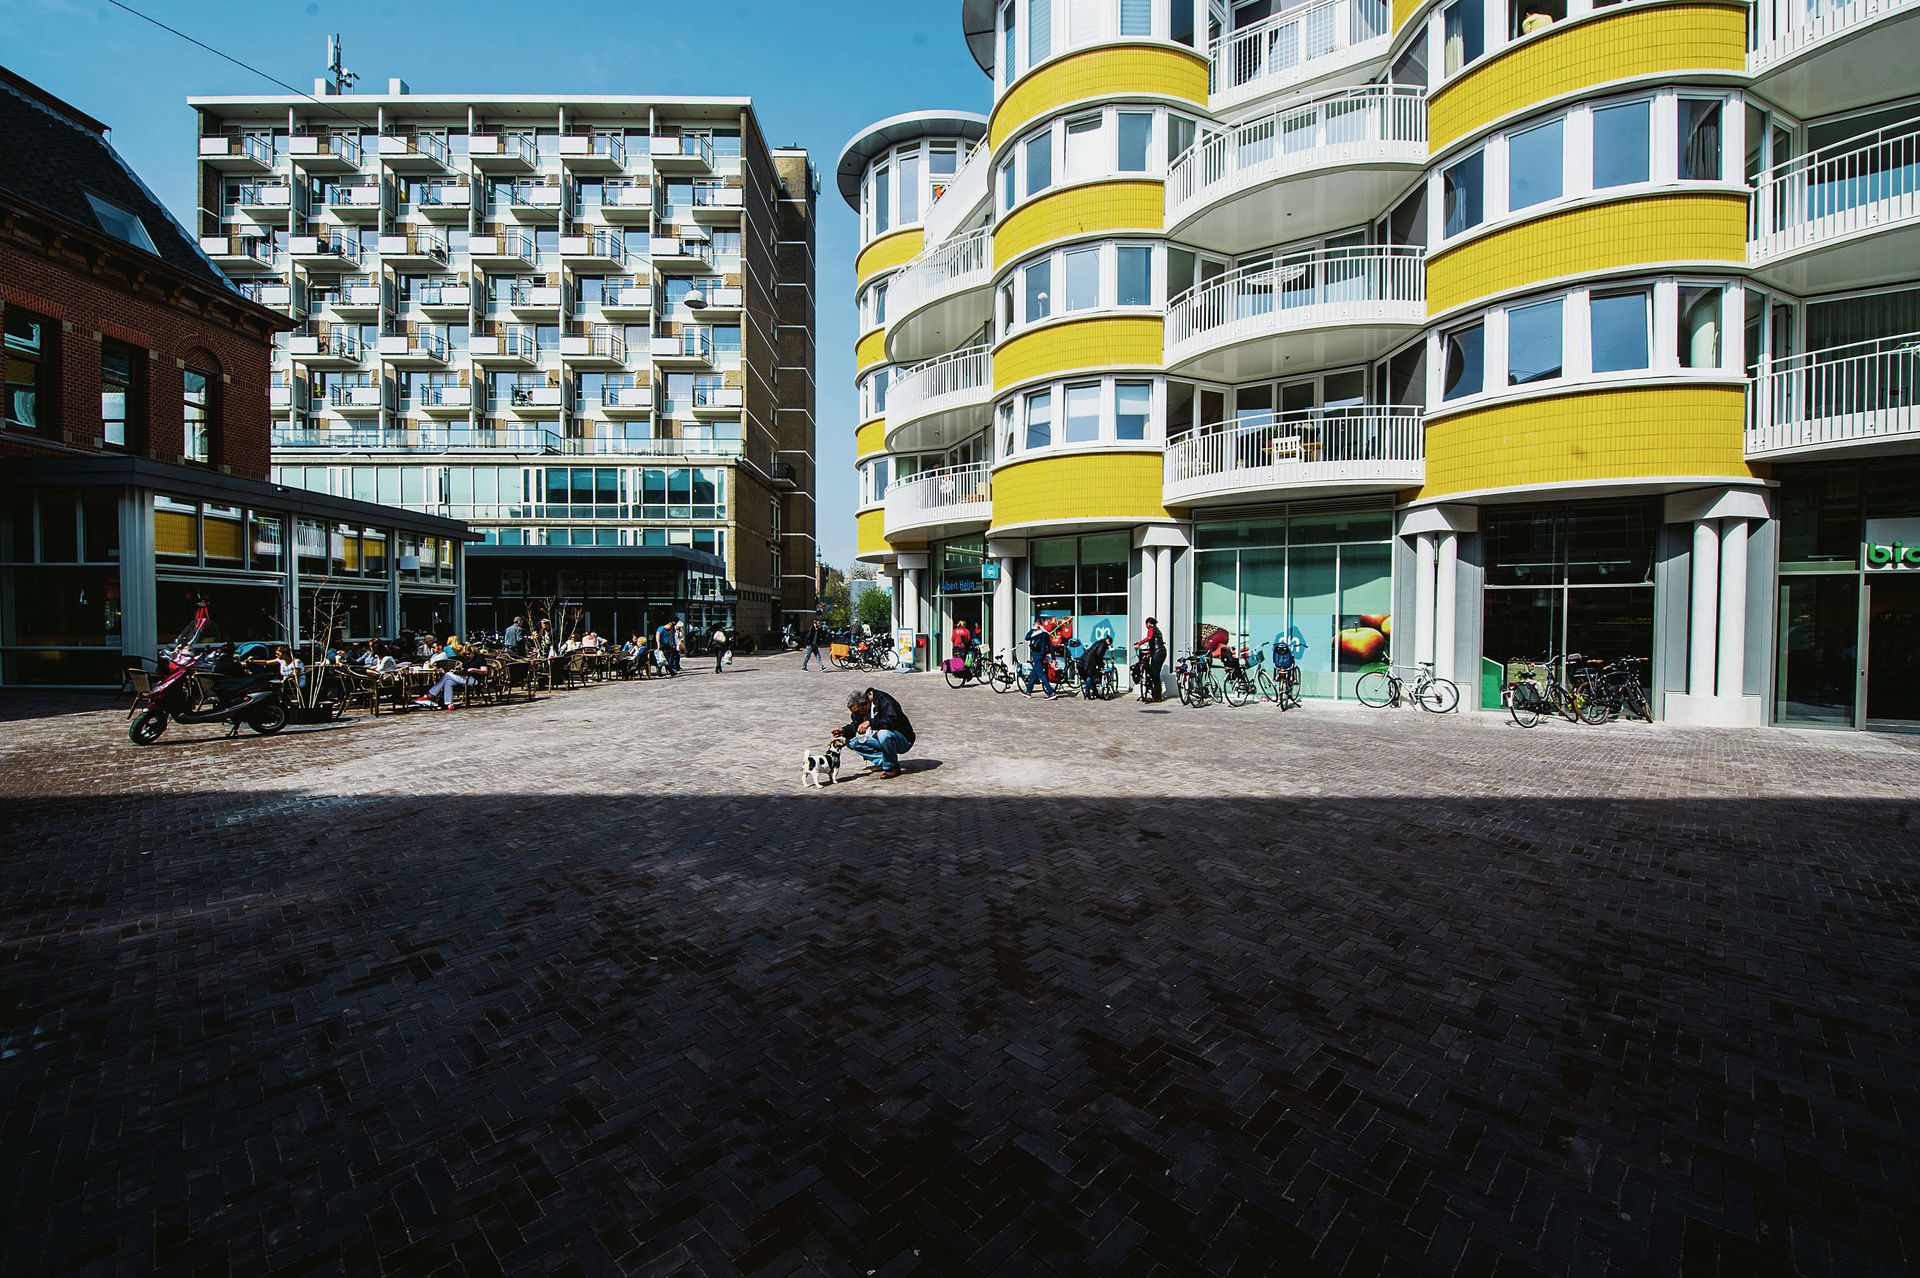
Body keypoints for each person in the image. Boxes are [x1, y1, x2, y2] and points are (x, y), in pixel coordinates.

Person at [836, 686, 915, 778]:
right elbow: (856, 725)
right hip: (878, 738)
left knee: (883, 734)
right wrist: (844, 730)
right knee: (851, 741)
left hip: (902, 739)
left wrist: (870, 723)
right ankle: (884, 761)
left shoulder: (885, 701)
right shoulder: (860, 710)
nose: (856, 715)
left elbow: (892, 721)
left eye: (857, 712)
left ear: (864, 703)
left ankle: (893, 767)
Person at [417, 636, 471, 710]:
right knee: (448, 682)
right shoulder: (462, 651)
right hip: (458, 674)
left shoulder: (446, 649)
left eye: (469, 653)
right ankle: (449, 704)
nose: (467, 654)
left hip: (464, 676)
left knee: (446, 676)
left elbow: (445, 658)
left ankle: (431, 694)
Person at [1022, 617, 1058, 699]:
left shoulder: (1036, 633)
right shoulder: (1045, 633)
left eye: (1034, 624)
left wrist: (1032, 629)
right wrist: (1054, 658)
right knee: (1033, 674)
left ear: (1037, 625)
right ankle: (1028, 691)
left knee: (1041, 674)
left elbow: (1027, 637)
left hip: (1036, 655)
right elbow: (1050, 646)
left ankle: (1051, 692)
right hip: (1042, 655)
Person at [1135, 617, 1167, 702]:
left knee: (1155, 674)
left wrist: (1139, 643)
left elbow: (1149, 637)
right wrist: (1149, 653)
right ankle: (1157, 695)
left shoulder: (1151, 629)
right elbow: (1154, 643)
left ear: (1148, 623)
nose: (1146, 626)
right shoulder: (1157, 629)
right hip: (1162, 652)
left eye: (1146, 624)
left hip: (1158, 652)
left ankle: (1157, 697)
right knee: (1156, 673)